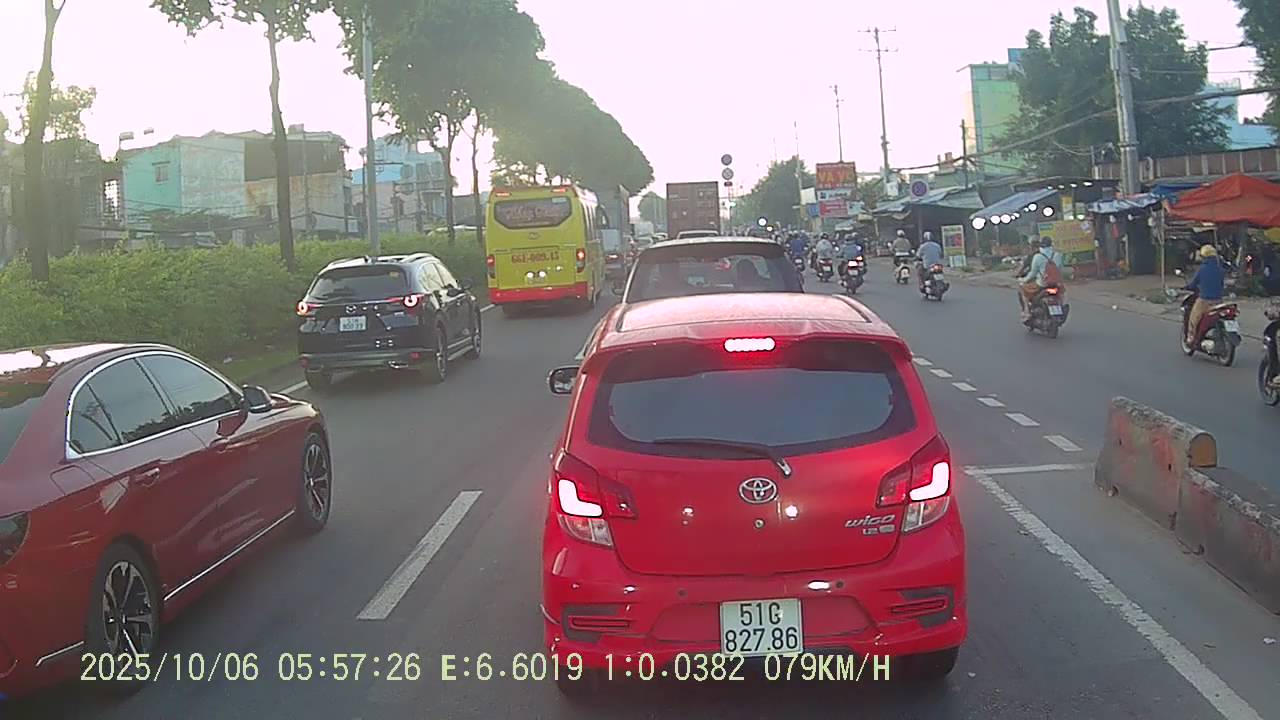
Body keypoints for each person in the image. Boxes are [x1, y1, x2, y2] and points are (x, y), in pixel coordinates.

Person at [1183, 244, 1226, 345]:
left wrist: (1188, 287)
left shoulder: (1202, 269)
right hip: (1219, 301)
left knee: (1194, 317)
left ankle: (1191, 337)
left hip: (1205, 300)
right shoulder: (1220, 269)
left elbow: (1194, 283)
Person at [1018, 237, 1065, 322]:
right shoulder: (1058, 255)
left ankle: (1027, 312)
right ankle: (1061, 307)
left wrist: (1023, 280)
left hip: (1042, 284)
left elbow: (1033, 273)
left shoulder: (1038, 257)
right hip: (1056, 283)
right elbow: (1060, 270)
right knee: (1061, 293)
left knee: (1023, 290)